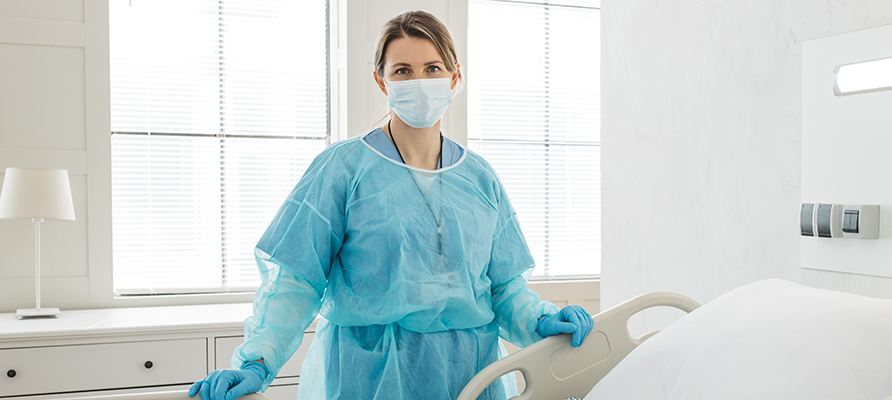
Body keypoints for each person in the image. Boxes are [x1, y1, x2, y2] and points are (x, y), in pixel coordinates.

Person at [188, 10, 593, 400]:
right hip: (368, 377)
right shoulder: (343, 169)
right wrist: (256, 362)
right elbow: (296, 282)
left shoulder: (479, 178)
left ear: (455, 77)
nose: (420, 81)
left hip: (471, 376)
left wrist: (541, 319)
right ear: (382, 81)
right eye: (403, 71)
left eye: (433, 69)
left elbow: (503, 288)